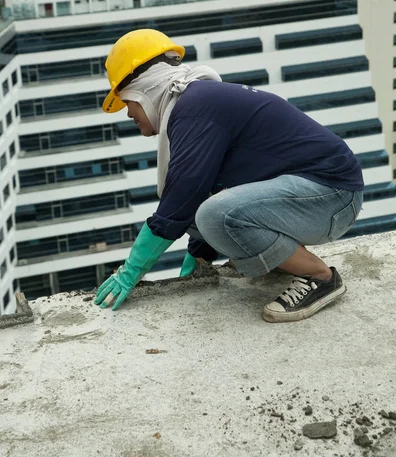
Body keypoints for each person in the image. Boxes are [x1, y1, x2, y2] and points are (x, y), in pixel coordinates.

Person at [94, 29, 364, 322]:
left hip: (332, 195)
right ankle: (283, 262)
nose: (128, 113)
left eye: (127, 102)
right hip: (314, 195)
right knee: (204, 210)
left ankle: (320, 277)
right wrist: (195, 269)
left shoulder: (194, 108)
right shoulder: (195, 103)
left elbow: (182, 199)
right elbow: (198, 195)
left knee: (212, 213)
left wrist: (129, 272)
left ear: (143, 91)